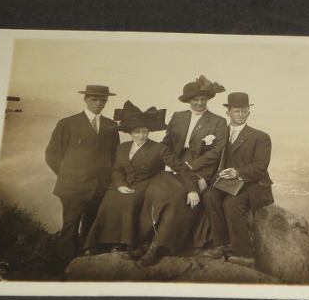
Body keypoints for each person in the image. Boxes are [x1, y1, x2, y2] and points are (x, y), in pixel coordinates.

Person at [82, 101, 200, 266]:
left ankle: (123, 243)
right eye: (137, 132)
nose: (141, 136)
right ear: (130, 133)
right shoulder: (122, 148)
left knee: (130, 200)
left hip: (145, 183)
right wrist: (120, 184)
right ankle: (100, 243)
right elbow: (116, 170)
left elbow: (181, 169)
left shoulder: (159, 149)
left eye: (144, 132)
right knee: (110, 200)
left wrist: (192, 190)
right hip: (123, 183)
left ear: (148, 132)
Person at [45, 84, 120, 268]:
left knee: (92, 224)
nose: (99, 103)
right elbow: (52, 155)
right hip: (72, 187)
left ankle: (85, 265)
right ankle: (65, 266)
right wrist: (68, 176)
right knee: (70, 225)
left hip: (100, 187)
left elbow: (114, 156)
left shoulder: (111, 126)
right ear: (85, 99)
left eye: (103, 100)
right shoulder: (67, 123)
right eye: (94, 99)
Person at [202, 92, 274, 259]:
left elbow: (260, 167)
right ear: (228, 113)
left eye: (244, 111)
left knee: (231, 203)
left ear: (249, 112)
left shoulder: (260, 137)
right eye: (236, 111)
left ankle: (244, 254)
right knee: (209, 196)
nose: (240, 115)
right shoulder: (220, 134)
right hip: (227, 183)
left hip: (254, 184)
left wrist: (238, 172)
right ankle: (222, 244)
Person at [161, 75, 228, 247]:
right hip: (174, 164)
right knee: (165, 192)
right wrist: (170, 162)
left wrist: (192, 166)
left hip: (201, 167)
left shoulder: (218, 122)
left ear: (207, 99)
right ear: (188, 101)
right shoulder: (177, 116)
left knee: (187, 195)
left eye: (203, 99)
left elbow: (216, 151)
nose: (199, 103)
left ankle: (181, 242)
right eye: (195, 100)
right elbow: (166, 143)